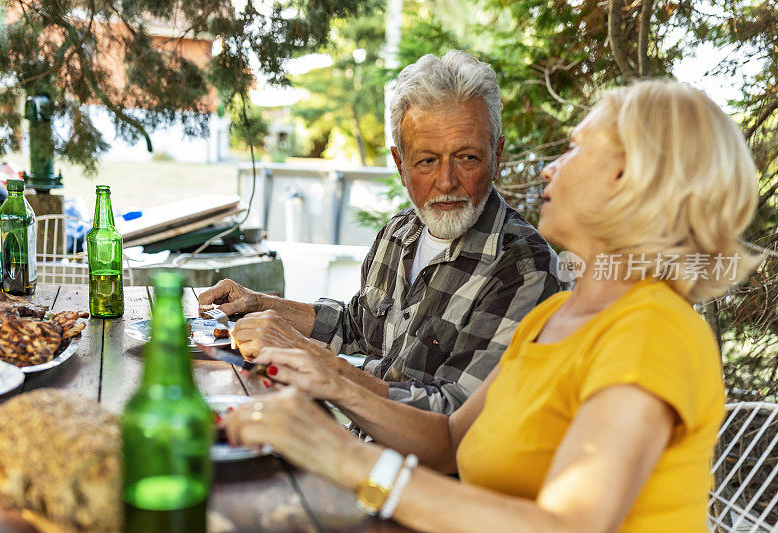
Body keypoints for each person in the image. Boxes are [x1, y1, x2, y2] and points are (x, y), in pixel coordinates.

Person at [223, 80, 760, 532]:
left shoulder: (653, 331)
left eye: (576, 149)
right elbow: (450, 442)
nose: (551, 169)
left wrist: (342, 456)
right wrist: (331, 383)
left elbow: (567, 526)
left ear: (630, 179)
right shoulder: (557, 320)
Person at [200, 50, 561, 415]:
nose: (446, 181)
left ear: (496, 157)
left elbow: (452, 416)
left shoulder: (525, 271)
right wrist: (260, 305)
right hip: (354, 441)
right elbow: (355, 327)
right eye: (427, 161)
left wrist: (311, 357)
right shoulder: (398, 232)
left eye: (467, 157)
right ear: (400, 166)